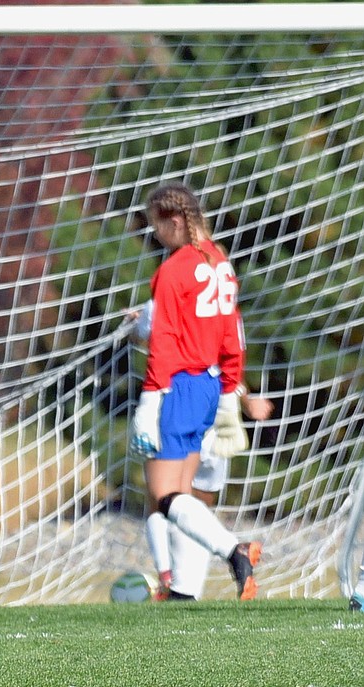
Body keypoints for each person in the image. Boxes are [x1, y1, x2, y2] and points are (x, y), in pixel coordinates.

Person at [129, 182, 263, 602]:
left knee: (163, 494)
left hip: (178, 385)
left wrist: (150, 400)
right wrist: (229, 384)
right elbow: (232, 331)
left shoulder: (173, 270)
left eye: (156, 225)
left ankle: (233, 550)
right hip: (208, 384)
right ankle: (184, 591)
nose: (155, 235)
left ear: (173, 220)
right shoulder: (219, 261)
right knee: (182, 492)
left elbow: (164, 338)